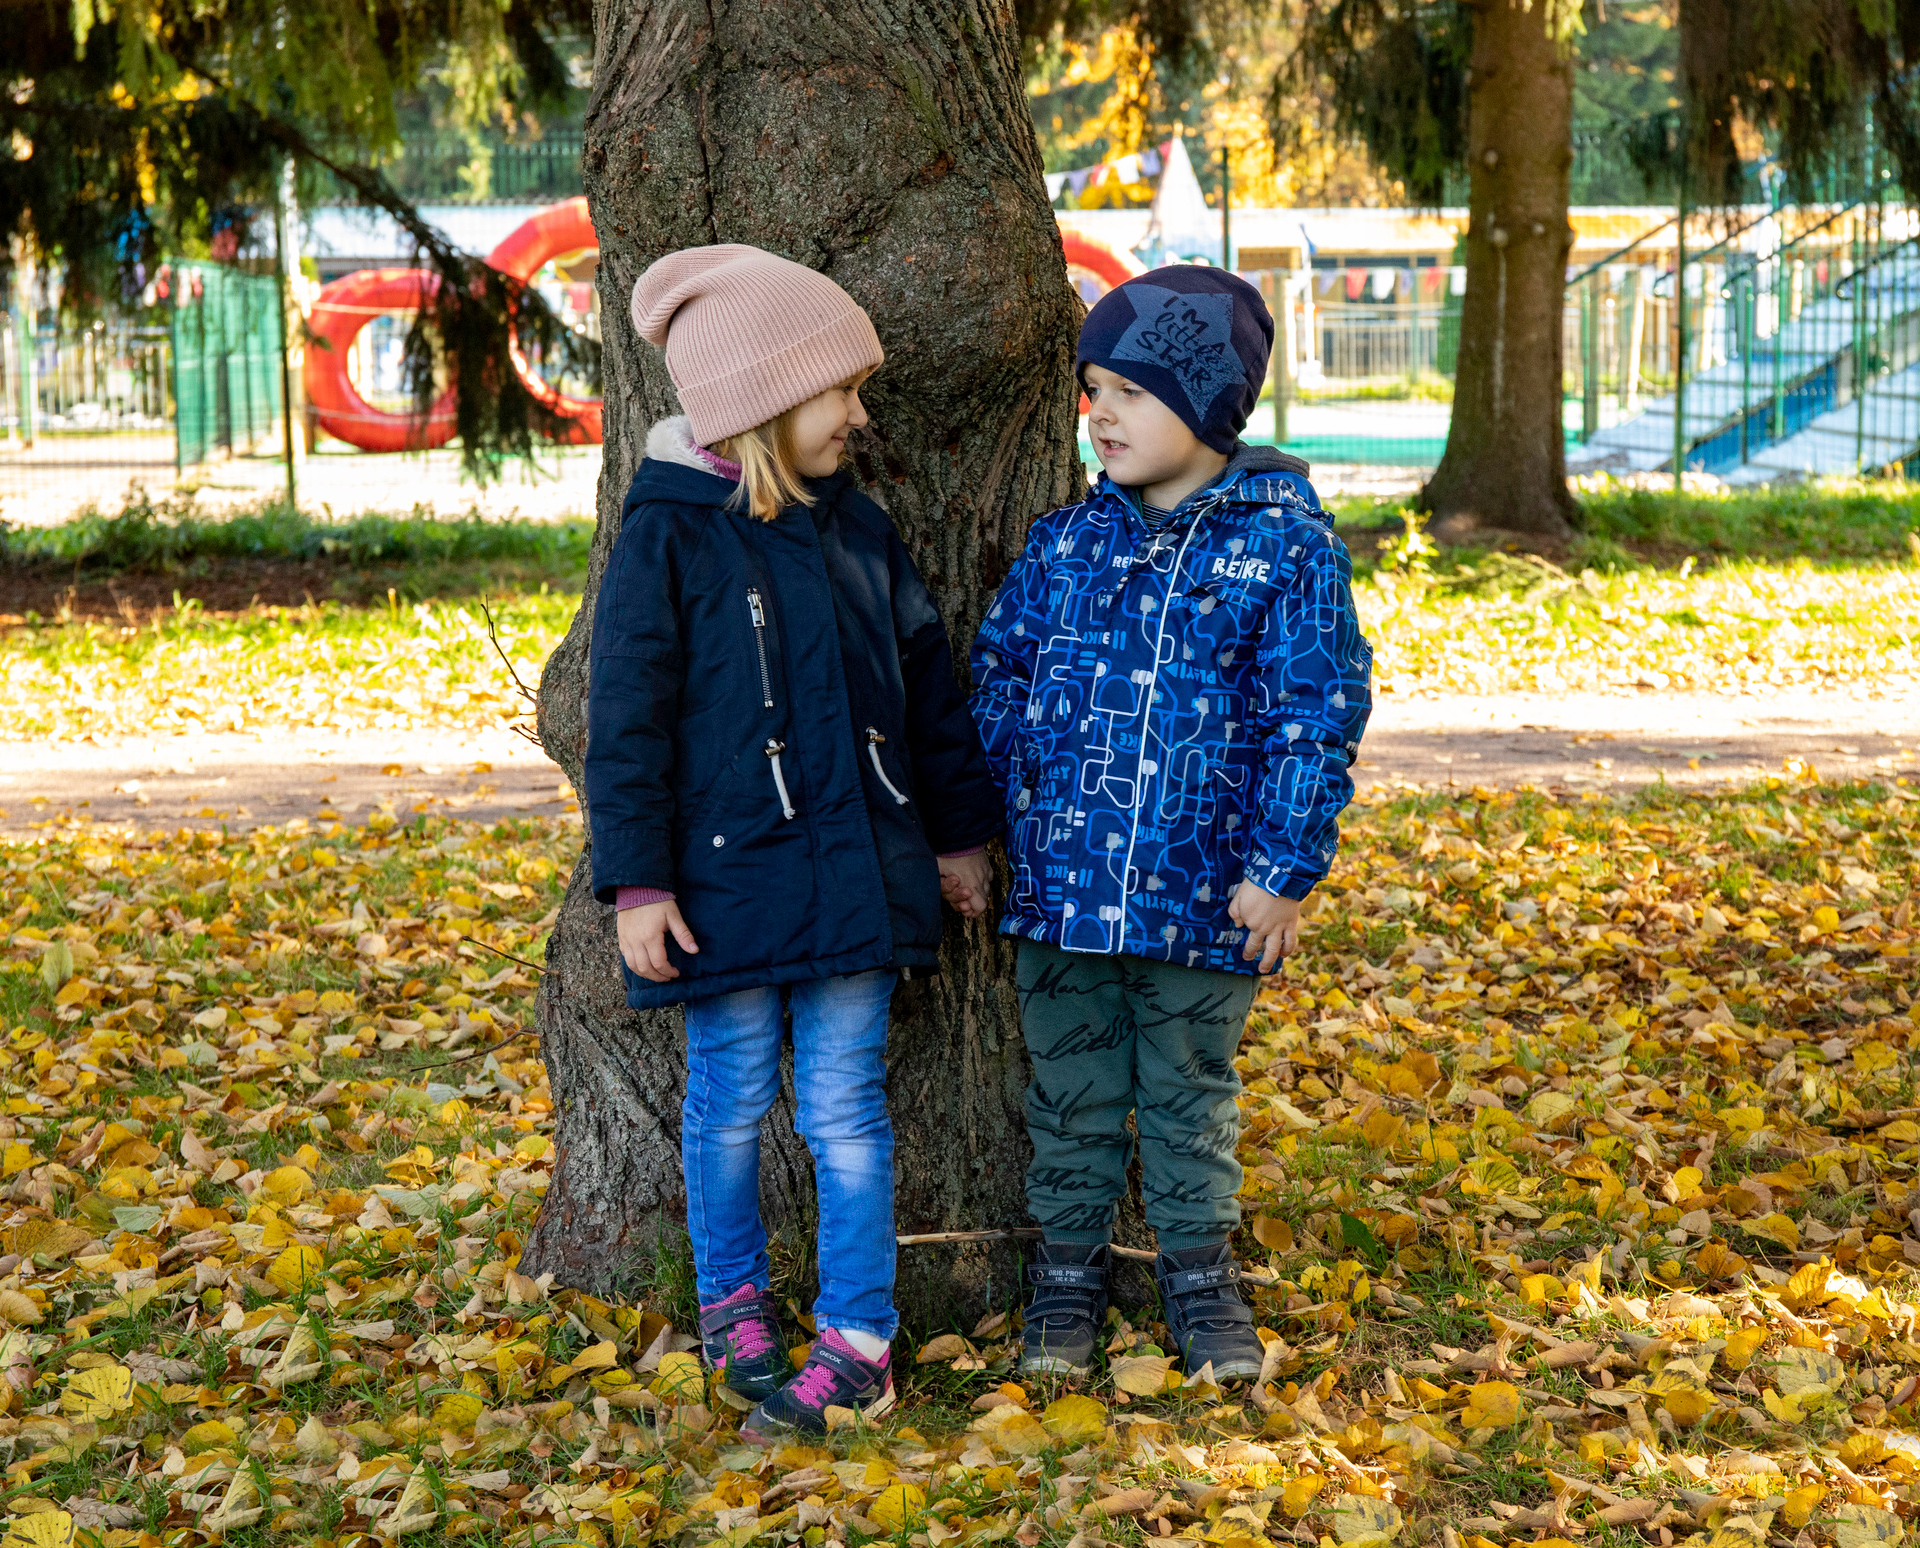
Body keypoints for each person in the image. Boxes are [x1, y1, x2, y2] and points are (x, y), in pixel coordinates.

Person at [584, 243, 1000, 1440]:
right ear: (761, 398)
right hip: (719, 884)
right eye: (840, 391)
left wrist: (958, 837)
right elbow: (627, 720)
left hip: (858, 874)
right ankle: (734, 1305)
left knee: (844, 1108)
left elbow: (929, 695)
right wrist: (638, 883)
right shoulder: (668, 537)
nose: (859, 416)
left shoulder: (858, 530)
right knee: (724, 1098)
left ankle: (859, 1342)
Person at [970, 262, 1373, 1384]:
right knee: (1071, 1094)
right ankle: (1065, 1275)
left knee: (1189, 1097)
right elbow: (999, 676)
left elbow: (1315, 711)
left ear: (1207, 404)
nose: (1098, 413)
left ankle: (1198, 1276)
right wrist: (994, 821)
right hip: (1062, 891)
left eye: (1131, 392)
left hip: (1207, 898)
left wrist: (1283, 868)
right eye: (1092, 388)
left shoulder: (1285, 548)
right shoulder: (1065, 543)